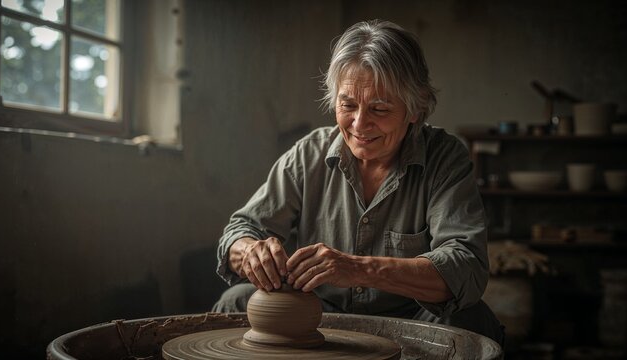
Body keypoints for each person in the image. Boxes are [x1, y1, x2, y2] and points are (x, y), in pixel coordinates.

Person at [213, 19, 504, 345]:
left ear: (415, 109)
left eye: (379, 108)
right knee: (235, 301)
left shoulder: (444, 158)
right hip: (320, 314)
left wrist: (358, 269)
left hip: (410, 319)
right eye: (347, 104)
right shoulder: (310, 153)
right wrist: (251, 251)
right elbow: (240, 230)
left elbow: (466, 267)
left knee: (470, 320)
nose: (359, 123)